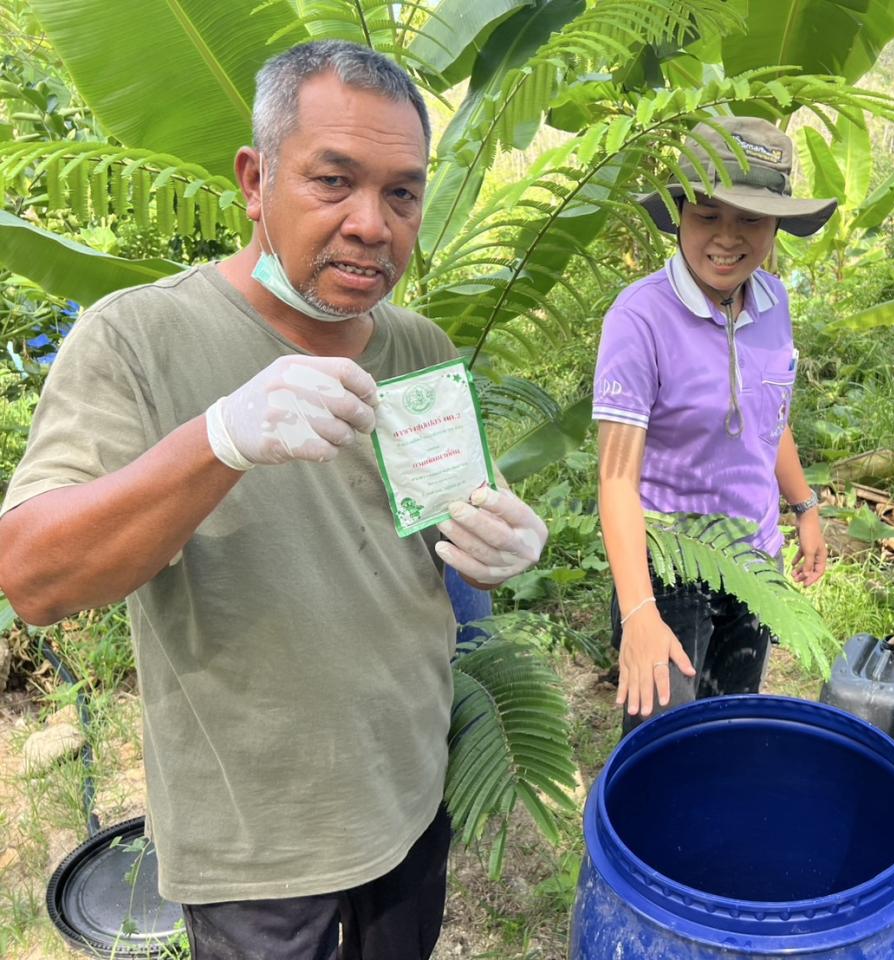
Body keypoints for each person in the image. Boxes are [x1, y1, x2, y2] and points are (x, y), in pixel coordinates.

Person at [0, 41, 548, 959]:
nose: (372, 224)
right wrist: (220, 440)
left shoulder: (417, 344)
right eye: (333, 181)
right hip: (258, 833)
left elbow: (438, 520)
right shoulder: (139, 337)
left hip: (412, 787)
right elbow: (35, 576)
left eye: (402, 193)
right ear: (256, 180)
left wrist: (499, 536)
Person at [593, 117, 831, 732]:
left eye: (750, 218)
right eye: (707, 215)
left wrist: (804, 509)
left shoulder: (774, 303)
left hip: (753, 557)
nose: (727, 239)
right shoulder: (639, 319)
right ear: (678, 216)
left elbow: (768, 417)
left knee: (728, 729)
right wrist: (639, 610)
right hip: (668, 565)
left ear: (776, 225)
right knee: (663, 741)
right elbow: (616, 478)